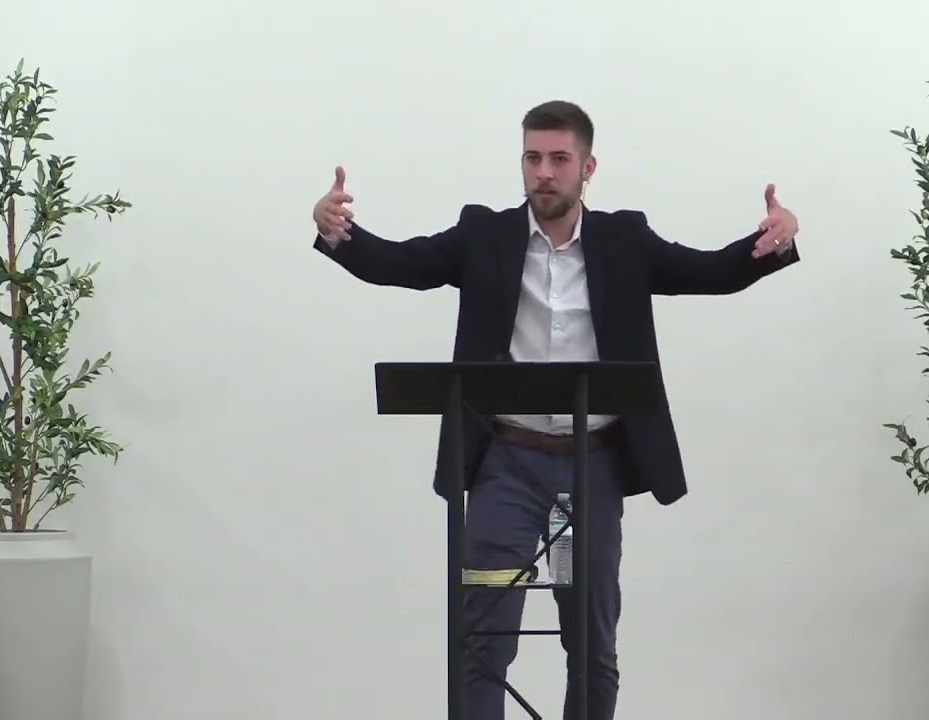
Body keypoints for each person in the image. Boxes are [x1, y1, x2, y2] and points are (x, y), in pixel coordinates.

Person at [311, 100, 801, 720]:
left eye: (559, 159)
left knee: (591, 643)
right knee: (483, 637)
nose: (543, 172)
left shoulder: (624, 239)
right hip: (505, 469)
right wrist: (337, 231)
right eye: (532, 157)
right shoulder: (483, 234)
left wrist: (772, 240)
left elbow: (708, 272)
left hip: (591, 470)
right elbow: (401, 264)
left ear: (587, 167)